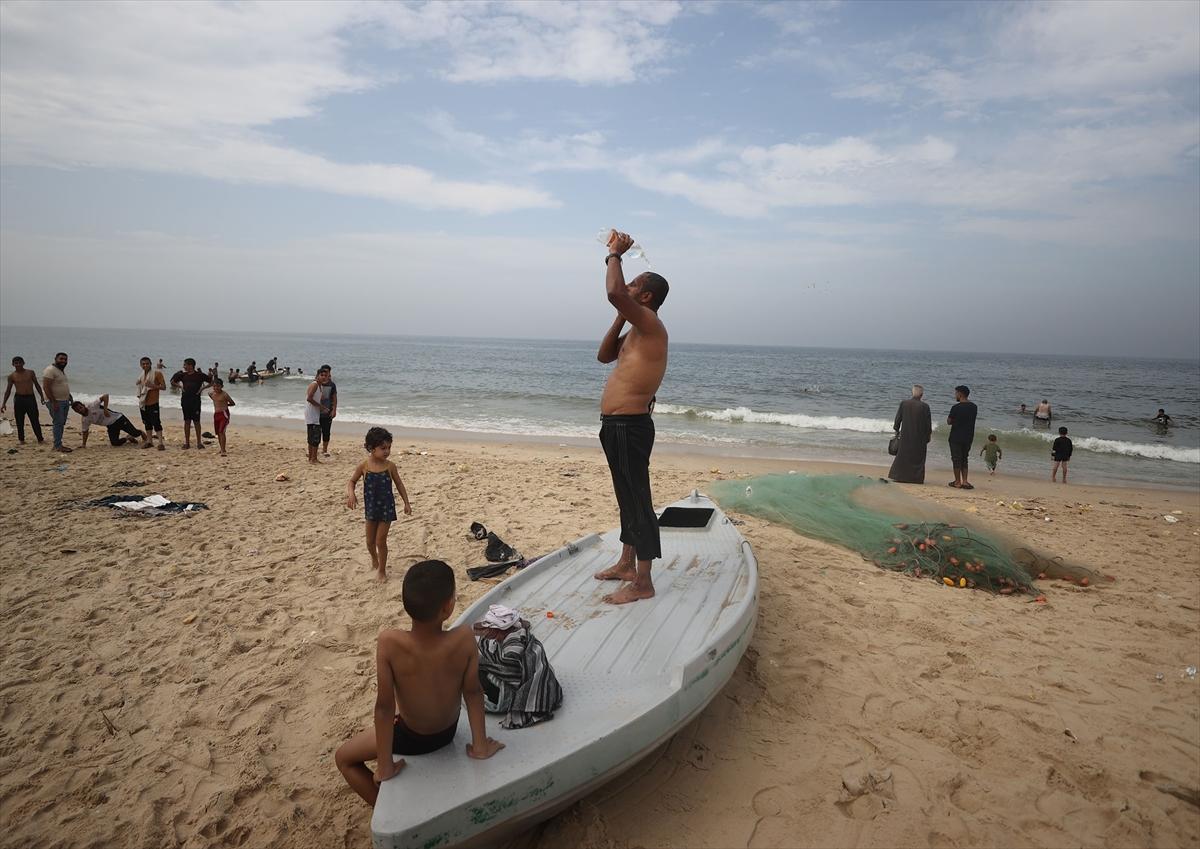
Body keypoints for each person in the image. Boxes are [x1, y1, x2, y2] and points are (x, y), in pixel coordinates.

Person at [334, 560, 504, 806]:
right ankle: (391, 809)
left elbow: (383, 708)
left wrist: (385, 766)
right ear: (447, 607)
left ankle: (386, 810)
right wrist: (480, 746)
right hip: (447, 733)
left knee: (343, 759)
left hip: (411, 737)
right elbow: (474, 692)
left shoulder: (389, 643)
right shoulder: (464, 638)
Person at [592, 230, 670, 605]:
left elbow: (613, 292)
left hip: (631, 426)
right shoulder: (635, 332)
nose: (627, 284)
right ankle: (626, 563)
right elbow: (604, 355)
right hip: (615, 427)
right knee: (626, 498)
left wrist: (614, 254)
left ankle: (643, 581)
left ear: (646, 297)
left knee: (639, 500)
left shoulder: (653, 326)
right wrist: (620, 317)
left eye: (634, 284)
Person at [346, 427, 412, 581]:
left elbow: (400, 485)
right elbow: (351, 481)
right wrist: (351, 493)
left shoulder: (390, 466)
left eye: (389, 447)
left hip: (386, 509)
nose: (387, 451)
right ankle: (374, 559)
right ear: (371, 448)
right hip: (371, 509)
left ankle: (382, 570)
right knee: (369, 542)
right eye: (383, 448)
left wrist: (406, 503)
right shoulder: (364, 466)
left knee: (380, 541)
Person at [888, 384, 932, 484]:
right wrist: (928, 435)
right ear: (922, 395)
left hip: (905, 434)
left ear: (912, 393)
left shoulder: (904, 403)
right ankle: (916, 478)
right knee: (918, 457)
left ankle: (899, 476)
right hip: (919, 436)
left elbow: (898, 418)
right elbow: (928, 423)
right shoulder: (925, 406)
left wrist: (896, 429)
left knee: (903, 456)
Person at [72, 396, 148, 447]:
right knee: (114, 443)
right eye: (77, 410)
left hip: (119, 419)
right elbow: (85, 432)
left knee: (135, 433)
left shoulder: (93, 406)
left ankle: (143, 435)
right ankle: (128, 438)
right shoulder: (84, 420)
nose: (80, 410)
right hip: (111, 426)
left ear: (83, 405)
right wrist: (83, 444)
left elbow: (105, 396)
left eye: (80, 407)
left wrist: (105, 409)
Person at [2, 356, 46, 444]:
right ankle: (21, 439)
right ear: (13, 364)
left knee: (34, 419)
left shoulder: (30, 372)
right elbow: (8, 390)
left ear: (23, 363)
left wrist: (42, 396)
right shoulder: (12, 376)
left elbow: (37, 385)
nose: (18, 364)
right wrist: (4, 403)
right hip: (19, 399)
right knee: (19, 420)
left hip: (30, 398)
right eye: (16, 363)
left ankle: (40, 439)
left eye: (19, 362)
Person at [170, 358, 212, 449]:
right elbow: (172, 381)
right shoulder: (183, 375)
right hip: (185, 400)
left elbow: (212, 382)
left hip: (196, 401)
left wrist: (202, 389)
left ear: (190, 365)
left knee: (197, 421)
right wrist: (180, 386)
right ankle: (187, 443)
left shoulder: (200, 375)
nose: (184, 366)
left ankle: (199, 443)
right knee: (187, 421)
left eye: (185, 365)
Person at [947, 384, 978, 490]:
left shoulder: (955, 407)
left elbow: (949, 421)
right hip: (968, 436)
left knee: (956, 459)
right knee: (965, 458)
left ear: (960, 394)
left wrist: (955, 420)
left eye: (956, 393)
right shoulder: (974, 407)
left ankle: (957, 481)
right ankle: (965, 481)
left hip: (956, 436)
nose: (955, 395)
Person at [305, 365, 337, 462]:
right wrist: (321, 407)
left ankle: (312, 458)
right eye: (322, 375)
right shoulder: (315, 384)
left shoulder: (320, 385)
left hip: (314, 414)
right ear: (318, 375)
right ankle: (313, 458)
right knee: (315, 438)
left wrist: (333, 409)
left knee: (314, 437)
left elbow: (333, 398)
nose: (324, 377)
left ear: (329, 375)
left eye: (326, 375)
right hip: (314, 415)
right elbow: (309, 398)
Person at [42, 352, 73, 453]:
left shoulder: (60, 371)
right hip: (56, 402)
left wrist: (69, 396)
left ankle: (58, 444)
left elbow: (61, 385)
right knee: (58, 423)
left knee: (61, 423)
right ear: (55, 359)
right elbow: (46, 387)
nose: (63, 361)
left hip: (64, 401)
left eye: (65, 359)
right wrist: (53, 402)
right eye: (61, 359)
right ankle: (57, 446)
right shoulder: (50, 370)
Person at [136, 356, 167, 450]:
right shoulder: (141, 375)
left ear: (151, 364)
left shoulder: (157, 373)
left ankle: (160, 443)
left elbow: (164, 387)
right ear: (140, 365)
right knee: (147, 423)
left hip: (153, 402)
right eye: (143, 364)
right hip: (143, 402)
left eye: (147, 363)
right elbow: (141, 386)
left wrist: (152, 385)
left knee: (156, 423)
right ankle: (149, 441)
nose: (145, 365)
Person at [208, 379, 236, 456]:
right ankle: (221, 449)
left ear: (222, 386)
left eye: (218, 386)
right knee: (218, 433)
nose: (216, 388)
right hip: (216, 414)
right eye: (214, 386)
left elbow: (233, 403)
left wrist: (225, 405)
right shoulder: (211, 393)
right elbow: (213, 398)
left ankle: (223, 450)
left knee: (221, 431)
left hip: (224, 414)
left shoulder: (224, 394)